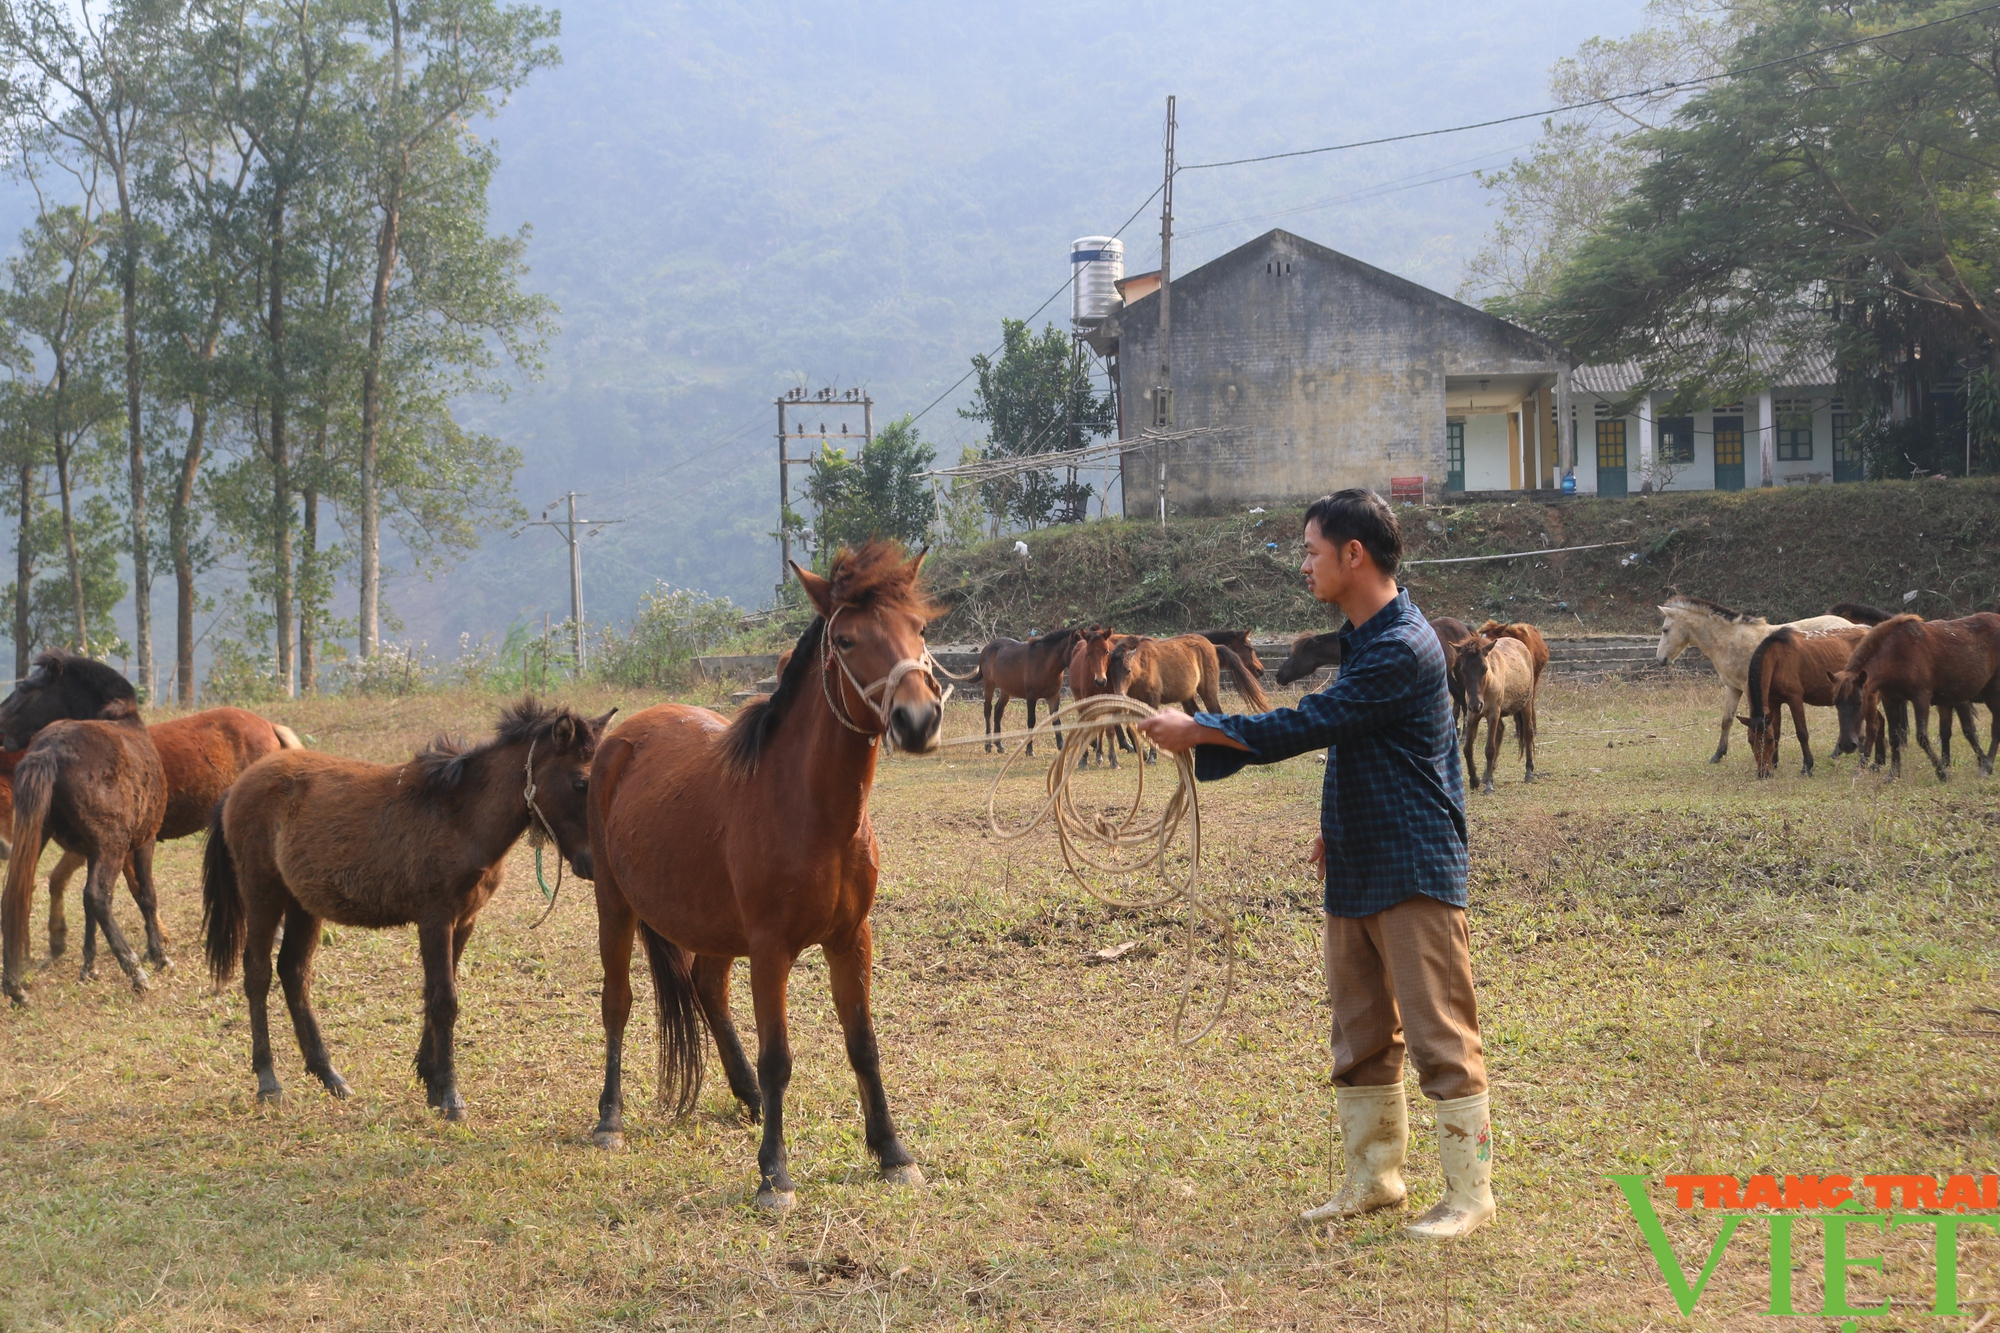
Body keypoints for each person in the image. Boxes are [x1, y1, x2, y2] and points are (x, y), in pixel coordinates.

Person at [1135, 488, 1493, 1239]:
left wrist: (1200, 727)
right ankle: (1375, 1178)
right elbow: (1364, 744)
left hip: (1414, 864)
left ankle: (1469, 1193)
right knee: (1360, 1030)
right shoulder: (1366, 635)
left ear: (1353, 555)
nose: (1304, 564)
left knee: (1439, 1034)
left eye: (1311, 551)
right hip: (1360, 859)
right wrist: (1335, 828)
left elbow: (1313, 722)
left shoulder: (1402, 645)